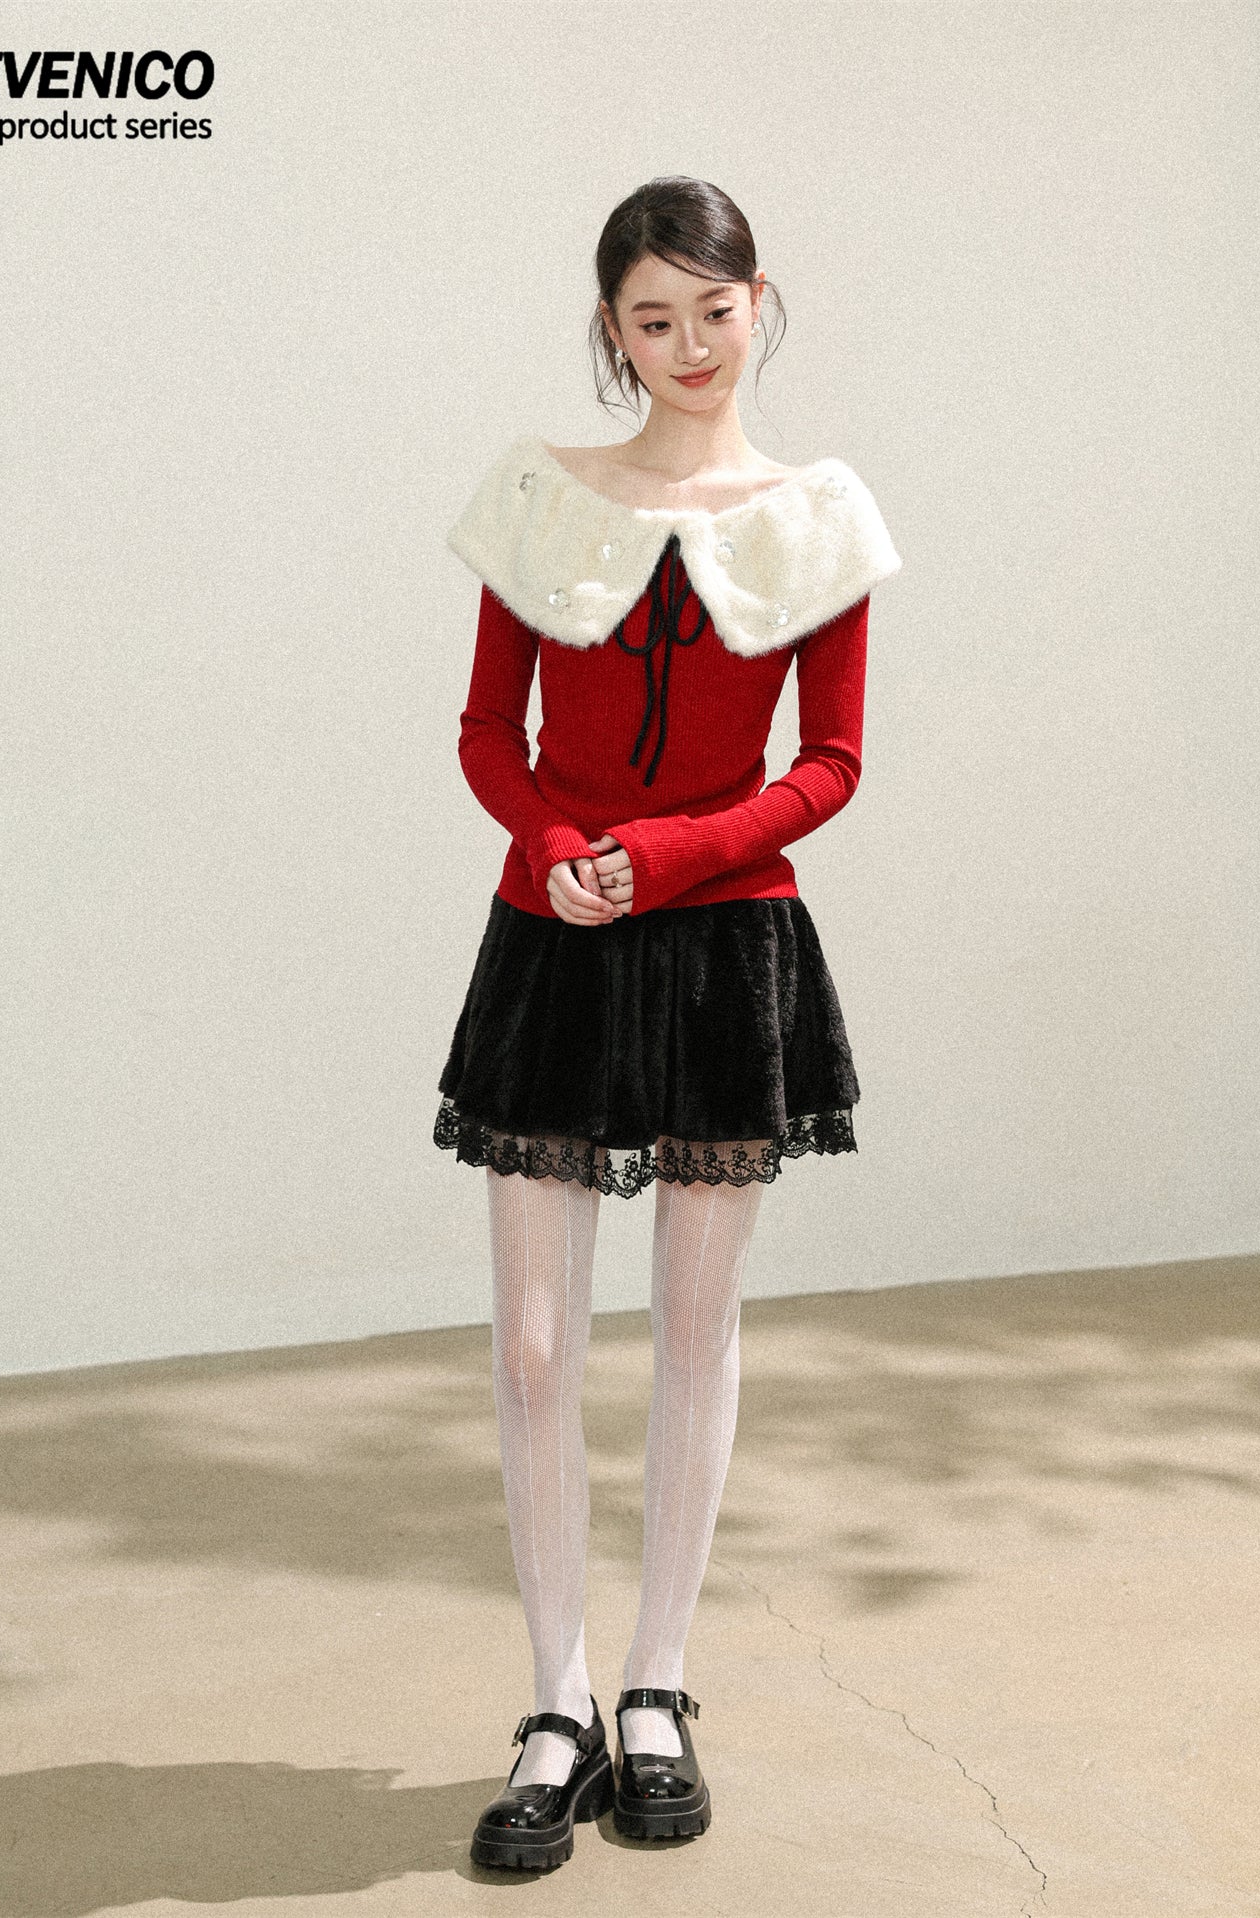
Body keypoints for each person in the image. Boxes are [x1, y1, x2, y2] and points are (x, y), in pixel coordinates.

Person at [434, 176, 902, 1872]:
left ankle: (654, 1685)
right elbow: (487, 730)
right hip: (554, 941)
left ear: (757, 302)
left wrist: (676, 857)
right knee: (534, 1346)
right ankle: (552, 1700)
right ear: (611, 329)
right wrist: (562, 847)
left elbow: (831, 762)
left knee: (695, 1331)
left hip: (725, 949)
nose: (692, 344)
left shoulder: (819, 517)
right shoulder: (541, 497)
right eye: (654, 317)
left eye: (716, 309)